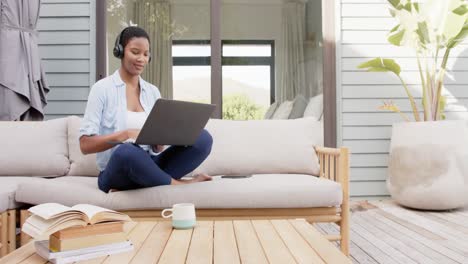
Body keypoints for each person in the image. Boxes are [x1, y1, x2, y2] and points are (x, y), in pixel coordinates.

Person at [79, 26, 213, 193]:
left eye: (145, 54)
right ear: (120, 51)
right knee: (126, 151)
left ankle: (147, 181)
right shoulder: (102, 89)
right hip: (118, 169)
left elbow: (158, 149)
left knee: (203, 138)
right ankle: (177, 184)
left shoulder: (152, 91)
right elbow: (84, 145)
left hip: (150, 165)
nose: (141, 59)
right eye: (135, 52)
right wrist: (125, 135)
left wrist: (159, 143)